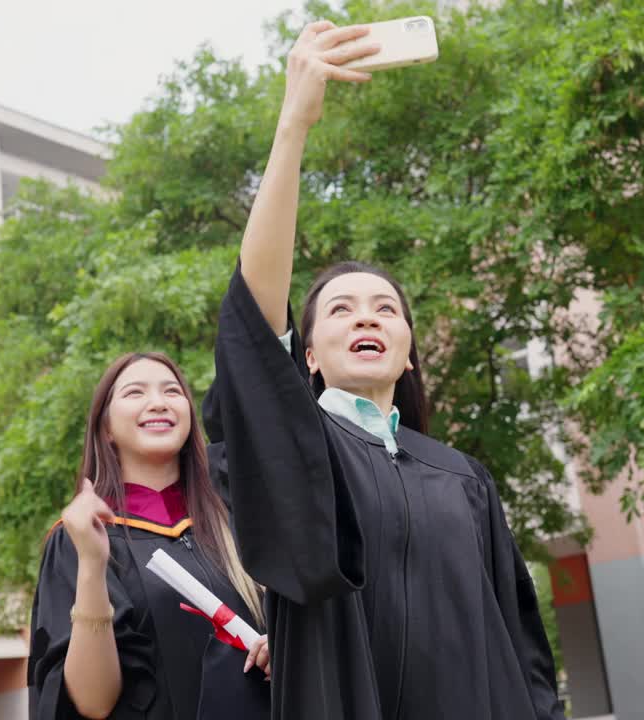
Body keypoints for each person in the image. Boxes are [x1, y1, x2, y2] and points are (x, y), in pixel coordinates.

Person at [202, 19, 564, 720]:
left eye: (384, 309)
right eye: (339, 310)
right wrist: (293, 126)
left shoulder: (463, 480)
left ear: (407, 347)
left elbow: (523, 655)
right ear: (303, 356)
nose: (366, 318)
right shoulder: (301, 459)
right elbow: (251, 320)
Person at [28, 352, 271, 719]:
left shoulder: (238, 526)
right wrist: (92, 566)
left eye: (172, 391)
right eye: (135, 393)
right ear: (106, 427)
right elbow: (94, 703)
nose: (158, 403)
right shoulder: (80, 539)